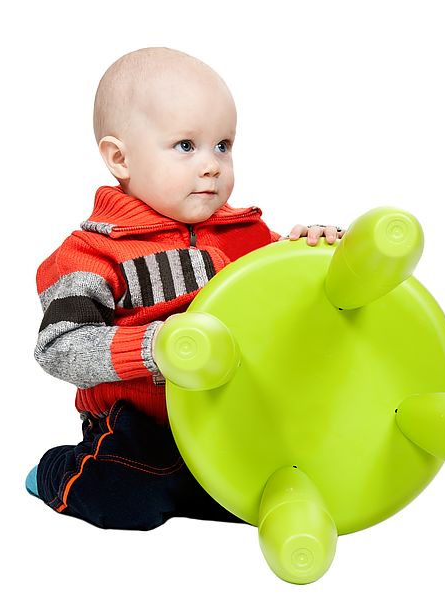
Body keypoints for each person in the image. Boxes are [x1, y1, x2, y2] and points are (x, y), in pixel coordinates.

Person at [26, 47, 342, 530]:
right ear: (120, 157)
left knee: (281, 482)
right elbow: (59, 347)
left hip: (234, 422)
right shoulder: (89, 254)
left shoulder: (251, 238)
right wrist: (158, 347)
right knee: (127, 494)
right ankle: (58, 474)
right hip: (146, 430)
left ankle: (221, 497)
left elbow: (298, 304)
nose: (213, 165)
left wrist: (316, 253)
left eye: (223, 146)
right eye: (185, 146)